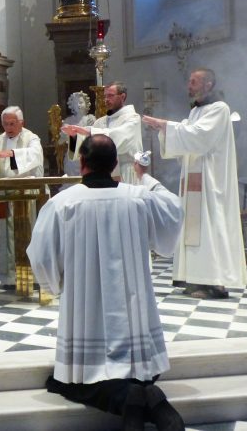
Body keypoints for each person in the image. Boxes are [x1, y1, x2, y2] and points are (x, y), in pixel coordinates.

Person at [27, 134, 185, 431]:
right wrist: (146, 179)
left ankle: (129, 399)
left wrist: (55, 283)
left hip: (85, 312)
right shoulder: (137, 198)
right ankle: (147, 393)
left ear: (82, 163)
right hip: (132, 312)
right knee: (139, 371)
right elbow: (173, 211)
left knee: (70, 381)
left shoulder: (63, 203)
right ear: (115, 164)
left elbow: (41, 254)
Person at [143, 67, 247, 299]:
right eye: (189, 81)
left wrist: (165, 125)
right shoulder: (196, 112)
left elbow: (199, 137)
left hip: (210, 182)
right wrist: (165, 129)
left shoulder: (220, 109)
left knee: (209, 227)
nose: (189, 85)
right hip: (193, 178)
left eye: (194, 81)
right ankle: (195, 278)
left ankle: (215, 283)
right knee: (194, 228)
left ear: (208, 84)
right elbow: (187, 136)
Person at [0, 106, 44, 289]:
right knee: (6, 234)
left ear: (21, 123)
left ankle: (32, 276)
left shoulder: (31, 138)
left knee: (28, 232)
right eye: (5, 124)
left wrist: (13, 154)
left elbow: (35, 155)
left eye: (12, 123)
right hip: (4, 194)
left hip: (27, 194)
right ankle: (9, 276)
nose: (8, 127)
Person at [62, 81, 143, 184]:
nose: (106, 100)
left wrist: (90, 130)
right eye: (105, 96)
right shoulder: (101, 122)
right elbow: (90, 144)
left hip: (126, 173)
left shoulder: (133, 118)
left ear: (122, 97)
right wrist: (75, 137)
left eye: (110, 96)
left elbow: (120, 137)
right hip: (102, 174)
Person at [60, 91, 96, 177]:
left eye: (80, 102)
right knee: (71, 160)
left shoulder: (90, 119)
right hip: (73, 151)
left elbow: (96, 135)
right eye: (75, 103)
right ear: (71, 105)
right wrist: (65, 134)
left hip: (88, 150)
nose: (78, 105)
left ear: (86, 104)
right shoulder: (68, 121)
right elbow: (60, 141)